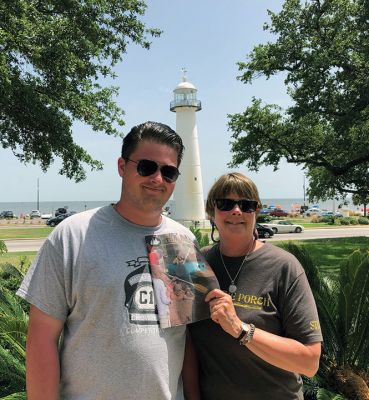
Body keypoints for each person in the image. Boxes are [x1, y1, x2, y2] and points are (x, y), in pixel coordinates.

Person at [17, 121, 196, 400]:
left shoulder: (182, 241)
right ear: (122, 167)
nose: (157, 179)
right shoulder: (72, 235)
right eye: (146, 167)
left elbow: (185, 338)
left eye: (169, 172)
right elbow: (41, 340)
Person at [186, 172, 323, 400]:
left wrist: (241, 329)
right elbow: (187, 345)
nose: (236, 211)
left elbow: (309, 362)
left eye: (246, 205)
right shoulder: (198, 266)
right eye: (225, 203)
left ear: (256, 211)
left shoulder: (284, 267)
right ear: (212, 211)